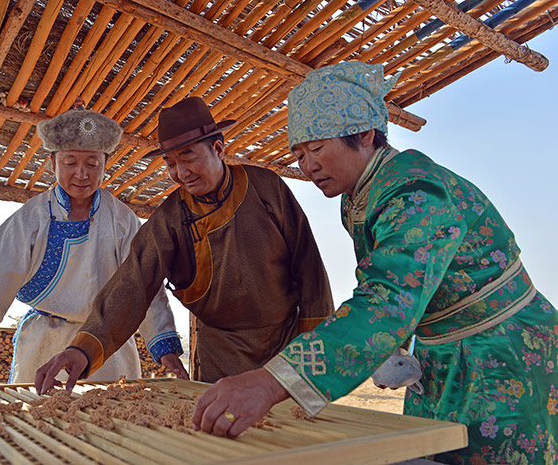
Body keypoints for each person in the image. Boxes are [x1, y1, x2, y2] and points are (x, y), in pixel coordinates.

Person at [189, 61, 558, 464]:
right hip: (441, 357)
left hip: (498, 354)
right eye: (299, 154)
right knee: (432, 449)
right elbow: (383, 281)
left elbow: (387, 299)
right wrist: (394, 347)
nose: (307, 166)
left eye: (317, 148)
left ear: (364, 134)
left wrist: (272, 382)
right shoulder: (358, 199)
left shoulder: (416, 192)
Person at [34, 96, 335, 393]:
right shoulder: (169, 219)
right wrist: (82, 350)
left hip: (286, 347)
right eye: (171, 164)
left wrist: (312, 350)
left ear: (218, 149)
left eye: (188, 157)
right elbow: (132, 285)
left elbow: (309, 269)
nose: (181, 173)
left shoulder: (266, 187)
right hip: (221, 357)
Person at [0, 109, 186, 384]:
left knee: (111, 410)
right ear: (53, 163)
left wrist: (164, 347)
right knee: (39, 412)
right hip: (44, 347)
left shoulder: (123, 220)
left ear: (105, 165)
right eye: (70, 163)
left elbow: (143, 285)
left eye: (92, 164)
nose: (81, 174)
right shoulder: (31, 218)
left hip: (105, 347)